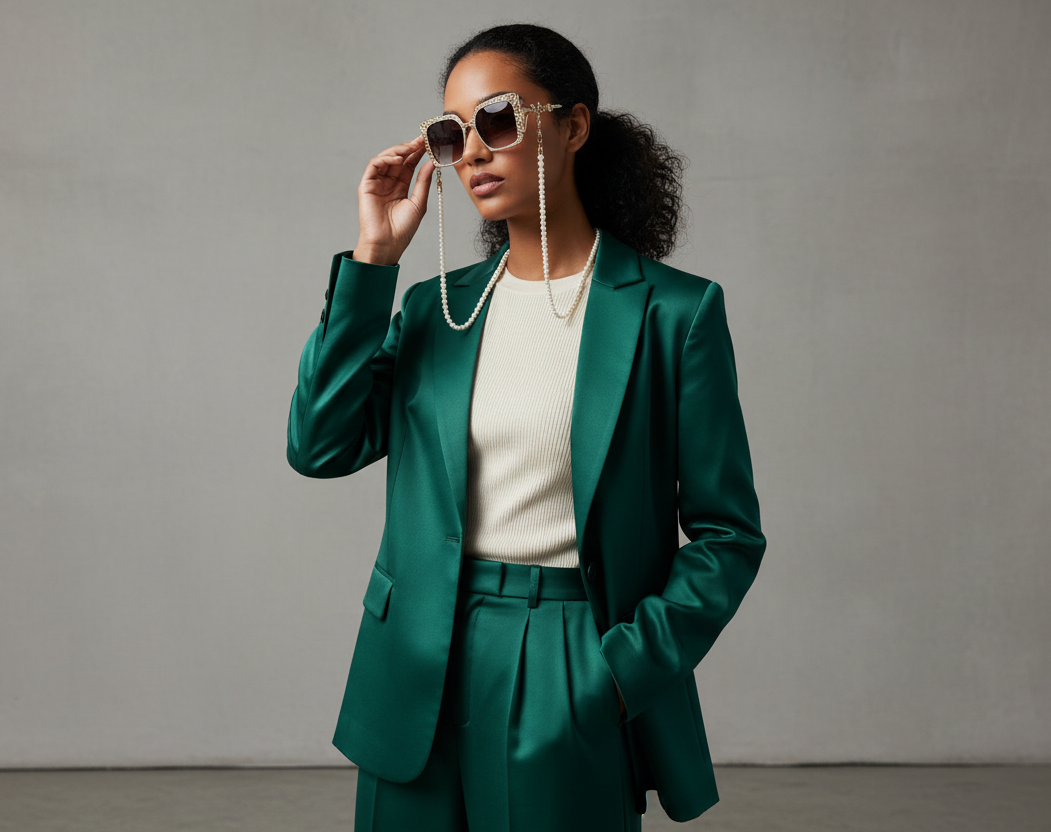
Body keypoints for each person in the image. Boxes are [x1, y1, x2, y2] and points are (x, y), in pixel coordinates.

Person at [287, 22, 766, 832]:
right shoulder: (437, 310)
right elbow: (320, 445)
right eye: (452, 133)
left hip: (568, 657)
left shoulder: (674, 315)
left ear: (574, 126)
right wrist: (374, 260)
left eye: (499, 120)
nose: (473, 150)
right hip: (413, 666)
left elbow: (727, 534)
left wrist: (615, 674)